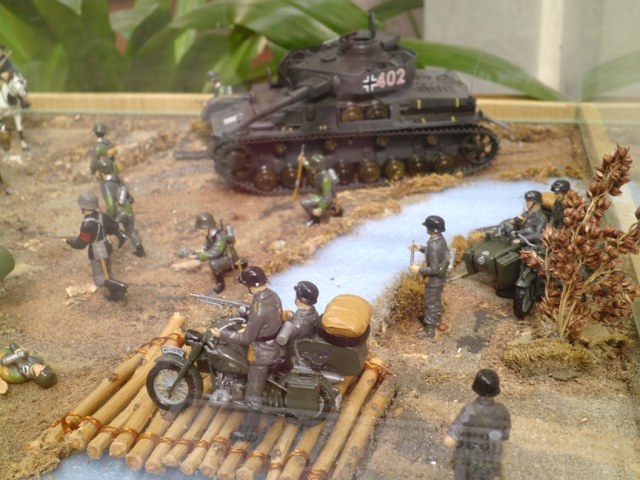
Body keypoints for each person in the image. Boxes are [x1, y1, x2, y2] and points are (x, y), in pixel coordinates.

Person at [210, 266, 284, 441]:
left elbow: (245, 339)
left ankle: (250, 432)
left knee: (253, 395)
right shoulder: (273, 295)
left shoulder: (258, 307)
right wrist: (252, 325)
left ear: (250, 285)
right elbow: (270, 320)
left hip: (262, 354)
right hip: (273, 344)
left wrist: (223, 334)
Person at [444, 369, 511, 480]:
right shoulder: (502, 411)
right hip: (488, 463)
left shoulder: (469, 410)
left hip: (466, 463)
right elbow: (504, 439)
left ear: (476, 387)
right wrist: (503, 458)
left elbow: (449, 441)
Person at [65, 192, 129, 301]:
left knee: (99, 280)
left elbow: (81, 243)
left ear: (83, 207)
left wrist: (69, 242)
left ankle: (121, 286)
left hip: (97, 251)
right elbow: (114, 226)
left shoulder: (87, 224)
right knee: (108, 273)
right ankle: (115, 295)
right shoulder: (102, 215)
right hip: (107, 247)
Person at [94, 156, 145, 257]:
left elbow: (110, 206)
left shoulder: (105, 185)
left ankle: (106, 255)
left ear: (102, 172)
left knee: (104, 229)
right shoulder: (118, 178)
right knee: (131, 230)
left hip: (118, 212)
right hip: (128, 209)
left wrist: (107, 218)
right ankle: (140, 250)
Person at [409, 215, 449, 339]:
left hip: (433, 281)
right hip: (440, 279)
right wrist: (420, 248)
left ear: (431, 229)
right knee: (436, 301)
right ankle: (437, 320)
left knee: (430, 303)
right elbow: (434, 253)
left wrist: (418, 269)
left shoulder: (433, 245)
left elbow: (434, 269)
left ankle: (429, 330)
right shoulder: (440, 240)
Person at [195, 212, 244, 294]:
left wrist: (201, 256)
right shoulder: (210, 234)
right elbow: (207, 244)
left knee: (213, 264)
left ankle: (220, 285)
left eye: (201, 229)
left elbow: (216, 251)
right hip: (222, 256)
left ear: (208, 227)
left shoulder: (220, 236)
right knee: (214, 261)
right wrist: (202, 250)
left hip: (229, 257)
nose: (200, 231)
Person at [300, 154, 343, 226]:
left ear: (317, 167)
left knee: (304, 203)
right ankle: (335, 209)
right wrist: (304, 161)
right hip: (321, 195)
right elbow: (309, 167)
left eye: (313, 167)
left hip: (324, 199)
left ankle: (315, 218)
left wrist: (320, 209)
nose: (311, 168)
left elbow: (327, 198)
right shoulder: (319, 171)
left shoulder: (325, 179)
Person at [277, 281, 320, 346]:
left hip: (294, 347)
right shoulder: (314, 313)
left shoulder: (297, 323)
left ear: (298, 300)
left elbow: (281, 340)